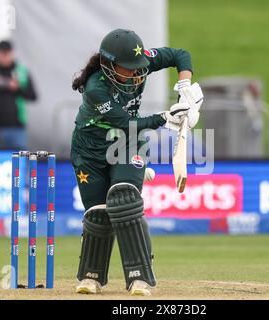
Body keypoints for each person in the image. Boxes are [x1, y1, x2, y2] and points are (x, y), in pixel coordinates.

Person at [70, 29, 202, 296]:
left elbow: (180, 55)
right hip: (90, 150)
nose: (137, 74)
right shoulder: (96, 88)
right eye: (128, 69)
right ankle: (90, 277)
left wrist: (185, 87)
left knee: (124, 198)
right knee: (99, 213)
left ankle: (139, 277)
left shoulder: (140, 61)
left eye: (139, 68)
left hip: (126, 145)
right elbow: (125, 123)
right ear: (108, 66)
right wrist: (165, 118)